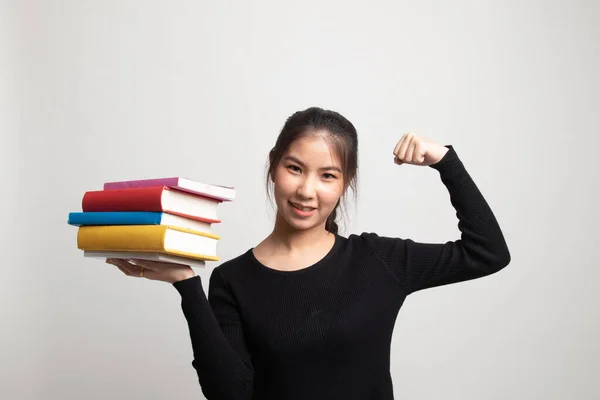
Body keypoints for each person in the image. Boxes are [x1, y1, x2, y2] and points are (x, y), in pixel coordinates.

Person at [107, 106, 511, 400]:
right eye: (295, 168)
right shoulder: (233, 280)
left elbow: (487, 252)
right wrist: (187, 285)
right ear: (273, 166)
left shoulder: (378, 261)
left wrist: (445, 162)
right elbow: (230, 395)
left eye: (328, 175)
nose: (306, 191)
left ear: (345, 182)